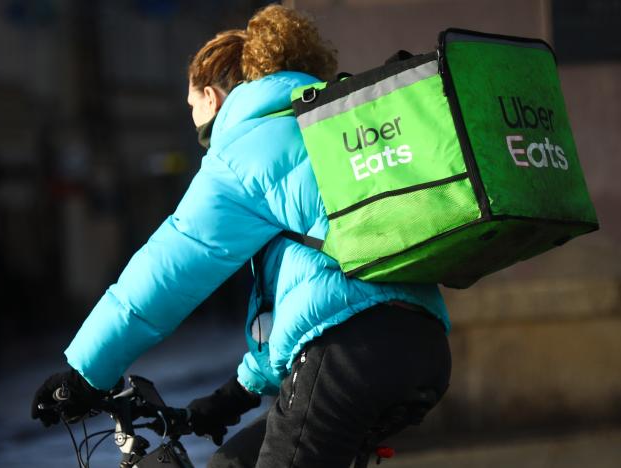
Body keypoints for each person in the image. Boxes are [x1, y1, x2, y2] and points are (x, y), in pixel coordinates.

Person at [32, 5, 451, 467]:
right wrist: (232, 397)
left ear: (211, 97)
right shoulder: (325, 120)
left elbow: (170, 267)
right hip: (422, 344)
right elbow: (314, 288)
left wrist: (85, 373)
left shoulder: (246, 144)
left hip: (348, 351)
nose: (195, 125)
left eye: (191, 105)